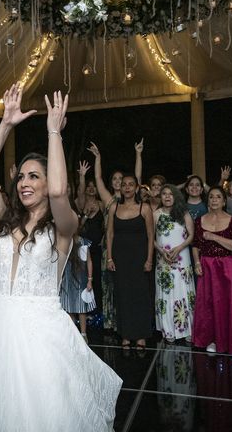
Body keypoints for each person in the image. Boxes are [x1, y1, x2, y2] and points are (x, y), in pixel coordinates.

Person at [0, 85, 122, 431]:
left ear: (47, 183)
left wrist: (54, 133)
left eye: (34, 176)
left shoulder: (63, 227)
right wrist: (5, 125)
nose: (24, 183)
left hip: (40, 335)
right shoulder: (4, 219)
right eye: (21, 177)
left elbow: (61, 191)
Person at [87, 140, 142, 331]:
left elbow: (137, 176)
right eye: (116, 180)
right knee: (110, 285)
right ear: (112, 183)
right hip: (109, 248)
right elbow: (97, 178)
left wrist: (138, 154)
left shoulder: (134, 200)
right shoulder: (109, 201)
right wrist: (98, 158)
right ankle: (111, 321)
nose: (119, 182)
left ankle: (128, 320)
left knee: (127, 286)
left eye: (122, 180)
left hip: (128, 248)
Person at [192, 187, 232, 354]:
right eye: (211, 197)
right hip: (207, 266)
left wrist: (214, 237)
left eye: (218, 197)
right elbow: (196, 245)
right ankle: (211, 339)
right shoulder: (199, 220)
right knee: (208, 304)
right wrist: (197, 263)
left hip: (228, 267)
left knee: (228, 303)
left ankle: (228, 340)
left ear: (224, 201)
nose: (214, 199)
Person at [107, 173, 155, 350]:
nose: (127, 187)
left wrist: (149, 259)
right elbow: (110, 234)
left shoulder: (145, 208)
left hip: (140, 258)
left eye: (131, 184)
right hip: (120, 258)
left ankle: (141, 335)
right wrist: (109, 257)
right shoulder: (114, 208)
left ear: (136, 188)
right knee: (123, 295)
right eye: (124, 184)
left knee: (140, 295)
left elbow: (151, 235)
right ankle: (126, 334)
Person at [153, 184, 195, 344]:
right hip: (163, 260)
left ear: (176, 196)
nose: (167, 197)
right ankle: (168, 330)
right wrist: (162, 251)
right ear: (161, 197)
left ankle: (188, 329)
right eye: (164, 194)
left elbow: (191, 235)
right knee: (166, 293)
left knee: (183, 291)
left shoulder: (183, 213)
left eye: (171, 194)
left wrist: (179, 248)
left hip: (182, 258)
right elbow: (151, 238)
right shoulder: (156, 214)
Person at [75, 162, 104, 311]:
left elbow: (106, 224)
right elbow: (77, 228)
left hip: (98, 249)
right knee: (83, 280)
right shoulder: (80, 203)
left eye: (94, 186)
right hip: (82, 248)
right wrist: (82, 176)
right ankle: (84, 311)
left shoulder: (102, 204)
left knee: (97, 280)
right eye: (88, 186)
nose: (91, 188)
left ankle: (97, 311)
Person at [60, 236, 96, 342]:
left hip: (81, 278)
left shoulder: (83, 242)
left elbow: (89, 261)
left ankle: (83, 334)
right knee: (69, 307)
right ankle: (73, 333)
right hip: (67, 278)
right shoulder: (64, 241)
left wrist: (90, 279)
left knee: (81, 308)